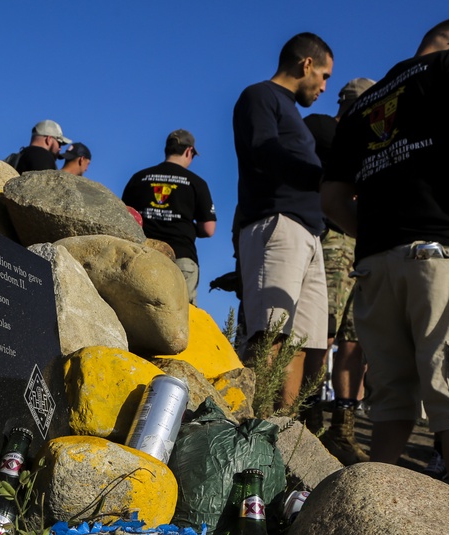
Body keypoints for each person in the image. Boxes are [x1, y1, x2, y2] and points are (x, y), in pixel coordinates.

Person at [321, 18, 449, 505]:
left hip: (376, 266)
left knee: (391, 399)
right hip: (441, 255)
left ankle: (377, 517)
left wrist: (383, 235)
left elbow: (334, 200)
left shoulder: (366, 101)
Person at [232, 32, 333, 415]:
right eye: (323, 75)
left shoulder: (296, 116)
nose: (325, 86)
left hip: (309, 232)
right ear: (306, 64)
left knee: (302, 341)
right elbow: (263, 149)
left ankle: (283, 432)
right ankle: (252, 426)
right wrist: (322, 178)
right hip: (277, 223)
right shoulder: (260, 96)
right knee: (270, 333)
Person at [303, 77, 375, 465]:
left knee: (354, 337)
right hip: (331, 239)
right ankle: (310, 420)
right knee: (323, 331)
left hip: (362, 244)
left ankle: (342, 430)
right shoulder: (326, 130)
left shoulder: (370, 140)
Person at [121, 130, 217, 304]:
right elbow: (209, 229)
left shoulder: (139, 178)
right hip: (181, 257)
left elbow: (124, 217)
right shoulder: (197, 183)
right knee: (180, 318)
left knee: (138, 313)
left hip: (142, 255)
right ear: (189, 151)